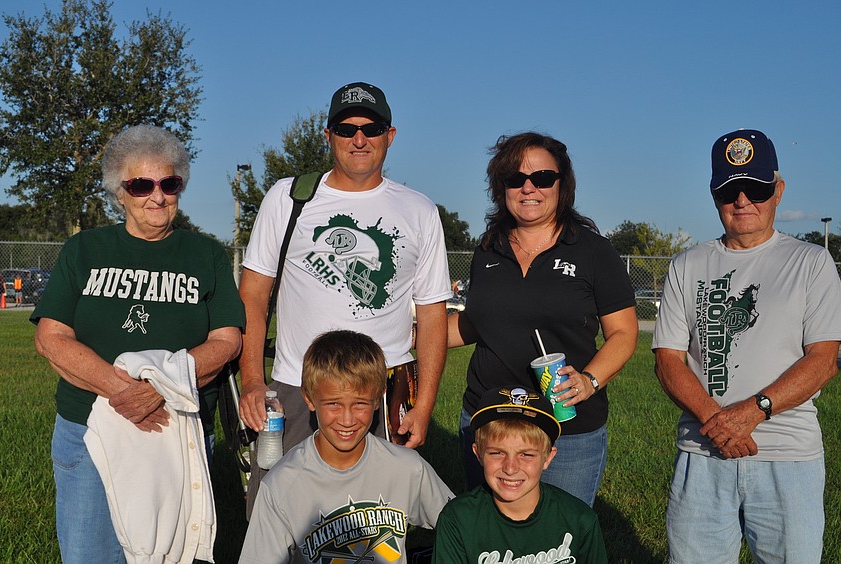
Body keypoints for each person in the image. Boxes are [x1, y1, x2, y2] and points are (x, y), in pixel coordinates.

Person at [31, 124, 245, 563]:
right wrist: (121, 390)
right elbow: (50, 337)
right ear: (120, 191)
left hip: (176, 428)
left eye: (169, 183)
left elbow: (226, 341)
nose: (157, 195)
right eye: (141, 184)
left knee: (172, 554)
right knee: (91, 554)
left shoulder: (205, 255)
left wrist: (161, 388)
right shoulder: (84, 250)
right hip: (89, 427)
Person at [238, 82, 451, 514]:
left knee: (378, 519)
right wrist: (253, 381)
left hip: (384, 389)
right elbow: (252, 298)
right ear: (328, 134)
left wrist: (424, 405)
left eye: (371, 129)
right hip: (299, 386)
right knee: (279, 515)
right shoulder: (289, 197)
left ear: (390, 136)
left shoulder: (420, 210)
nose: (359, 139)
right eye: (346, 128)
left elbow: (432, 316)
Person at [653, 128, 841, 563]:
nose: (742, 201)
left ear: (777, 190)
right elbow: (667, 360)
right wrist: (715, 419)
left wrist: (752, 412)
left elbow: (824, 361)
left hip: (788, 457)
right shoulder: (688, 264)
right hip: (702, 451)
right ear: (714, 193)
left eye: (755, 188)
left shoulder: (811, 262)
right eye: (729, 190)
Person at [447, 132, 637, 506]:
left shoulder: (593, 251)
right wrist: (407, 333)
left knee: (558, 542)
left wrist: (588, 381)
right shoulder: (488, 248)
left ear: (561, 184)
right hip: (489, 423)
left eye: (542, 178)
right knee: (490, 539)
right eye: (515, 179)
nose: (528, 188)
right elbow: (476, 323)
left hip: (566, 430)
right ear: (500, 187)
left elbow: (624, 333)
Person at [239, 330, 453, 564]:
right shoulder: (281, 484)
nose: (347, 420)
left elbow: (462, 526)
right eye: (333, 404)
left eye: (360, 404)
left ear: (378, 397)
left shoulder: (408, 468)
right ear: (309, 398)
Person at [432, 386, 607, 563]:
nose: (510, 468)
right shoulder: (458, 519)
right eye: (497, 453)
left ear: (548, 457)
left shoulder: (579, 520)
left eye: (526, 455)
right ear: (478, 454)